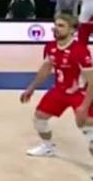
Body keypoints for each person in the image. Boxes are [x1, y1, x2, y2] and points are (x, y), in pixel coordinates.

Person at [20, 13, 93, 158]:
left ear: (72, 30)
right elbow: (46, 69)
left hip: (80, 93)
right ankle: (48, 148)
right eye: (55, 25)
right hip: (59, 91)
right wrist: (31, 88)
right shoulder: (50, 47)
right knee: (39, 118)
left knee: (85, 125)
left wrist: (84, 106)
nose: (56, 28)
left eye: (61, 26)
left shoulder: (80, 51)